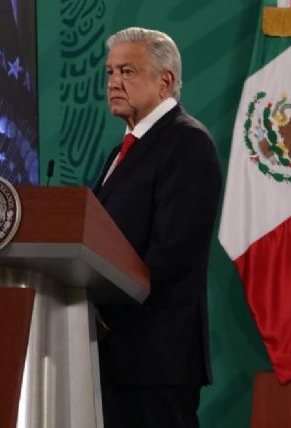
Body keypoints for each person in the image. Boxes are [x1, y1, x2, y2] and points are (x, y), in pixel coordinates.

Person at [92, 27, 222, 427]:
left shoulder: (187, 143)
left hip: (157, 358)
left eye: (127, 71)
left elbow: (172, 254)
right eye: (111, 72)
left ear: (165, 81)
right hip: (119, 357)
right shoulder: (123, 148)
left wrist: (104, 315)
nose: (114, 82)